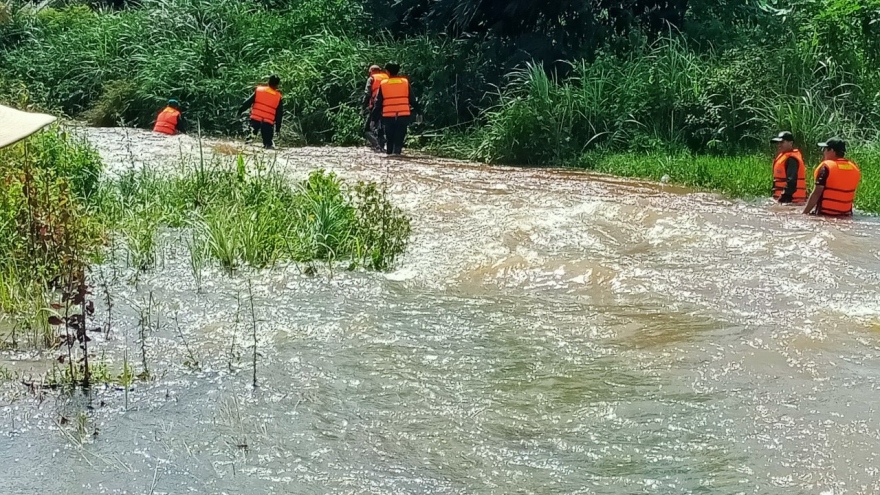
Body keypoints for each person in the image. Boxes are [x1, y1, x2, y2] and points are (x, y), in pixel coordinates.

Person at [370, 63, 422, 156]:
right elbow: (413, 100)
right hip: (403, 116)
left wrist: (373, 118)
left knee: (390, 140)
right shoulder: (405, 82)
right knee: (399, 140)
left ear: (388, 72)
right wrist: (419, 113)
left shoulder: (383, 84)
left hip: (388, 116)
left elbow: (378, 104)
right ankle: (397, 156)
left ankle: (391, 158)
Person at [803, 137, 861, 216]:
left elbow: (816, 193)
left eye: (825, 149)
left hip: (825, 215)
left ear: (832, 151)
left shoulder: (826, 168)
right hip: (846, 215)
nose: (823, 152)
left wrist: (804, 213)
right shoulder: (854, 168)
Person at [238, 75, 283, 149]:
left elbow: (247, 103)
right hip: (267, 124)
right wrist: (278, 128)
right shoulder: (278, 97)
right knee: (268, 145)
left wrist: (240, 111)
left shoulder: (259, 91)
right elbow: (279, 114)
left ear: (268, 82)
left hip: (255, 120)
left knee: (248, 141)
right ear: (277, 85)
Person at [769, 131, 806, 204]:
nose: (779, 145)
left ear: (791, 143)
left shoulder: (791, 159)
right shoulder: (784, 156)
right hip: (786, 201)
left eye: (782, 142)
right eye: (778, 143)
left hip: (792, 201)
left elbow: (791, 182)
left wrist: (782, 199)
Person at [363, 64, 389, 151]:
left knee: (367, 129)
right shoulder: (387, 77)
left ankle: (377, 146)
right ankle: (383, 145)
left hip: (376, 106)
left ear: (371, 72)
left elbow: (367, 94)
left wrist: (363, 106)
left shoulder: (371, 79)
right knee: (382, 127)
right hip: (389, 106)